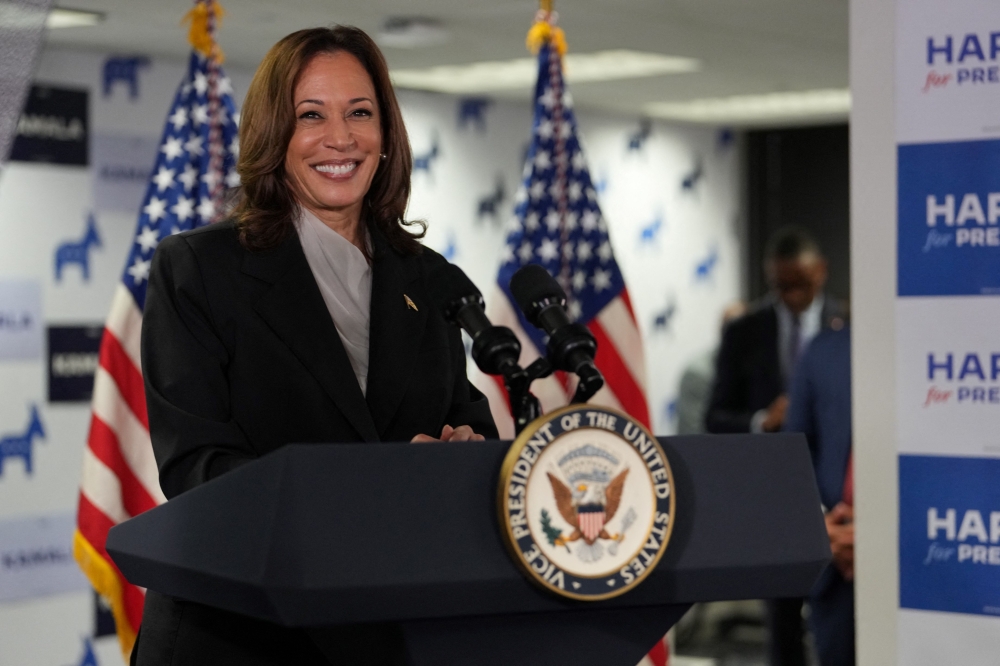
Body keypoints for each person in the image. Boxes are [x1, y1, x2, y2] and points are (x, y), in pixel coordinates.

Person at [132, 26, 497, 666]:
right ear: (273, 134)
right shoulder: (199, 268)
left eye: (360, 113)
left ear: (386, 133)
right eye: (311, 115)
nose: (341, 138)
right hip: (242, 639)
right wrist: (383, 484)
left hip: (390, 631)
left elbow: (465, 416)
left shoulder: (426, 276)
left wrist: (465, 455)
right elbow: (198, 471)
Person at [704, 227, 845, 666]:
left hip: (838, 497)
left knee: (840, 623)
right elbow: (715, 417)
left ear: (820, 272)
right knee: (782, 622)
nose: (789, 295)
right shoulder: (744, 331)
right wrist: (762, 421)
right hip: (772, 494)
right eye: (779, 285)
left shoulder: (849, 327)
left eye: (798, 283)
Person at [784, 326, 855, 666]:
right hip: (835, 563)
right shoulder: (823, 351)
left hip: (922, 564)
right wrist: (822, 524)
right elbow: (795, 451)